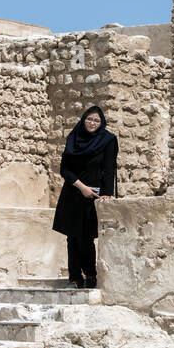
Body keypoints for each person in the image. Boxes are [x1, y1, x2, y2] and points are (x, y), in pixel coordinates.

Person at [52, 105, 118, 288]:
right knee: (72, 236)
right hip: (73, 192)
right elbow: (64, 169)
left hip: (94, 195)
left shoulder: (108, 140)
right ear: (83, 120)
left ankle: (90, 274)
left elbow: (108, 169)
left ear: (101, 122)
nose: (92, 123)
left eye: (97, 120)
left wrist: (106, 194)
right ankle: (75, 277)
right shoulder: (74, 138)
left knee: (86, 237)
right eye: (89, 119)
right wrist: (81, 187)